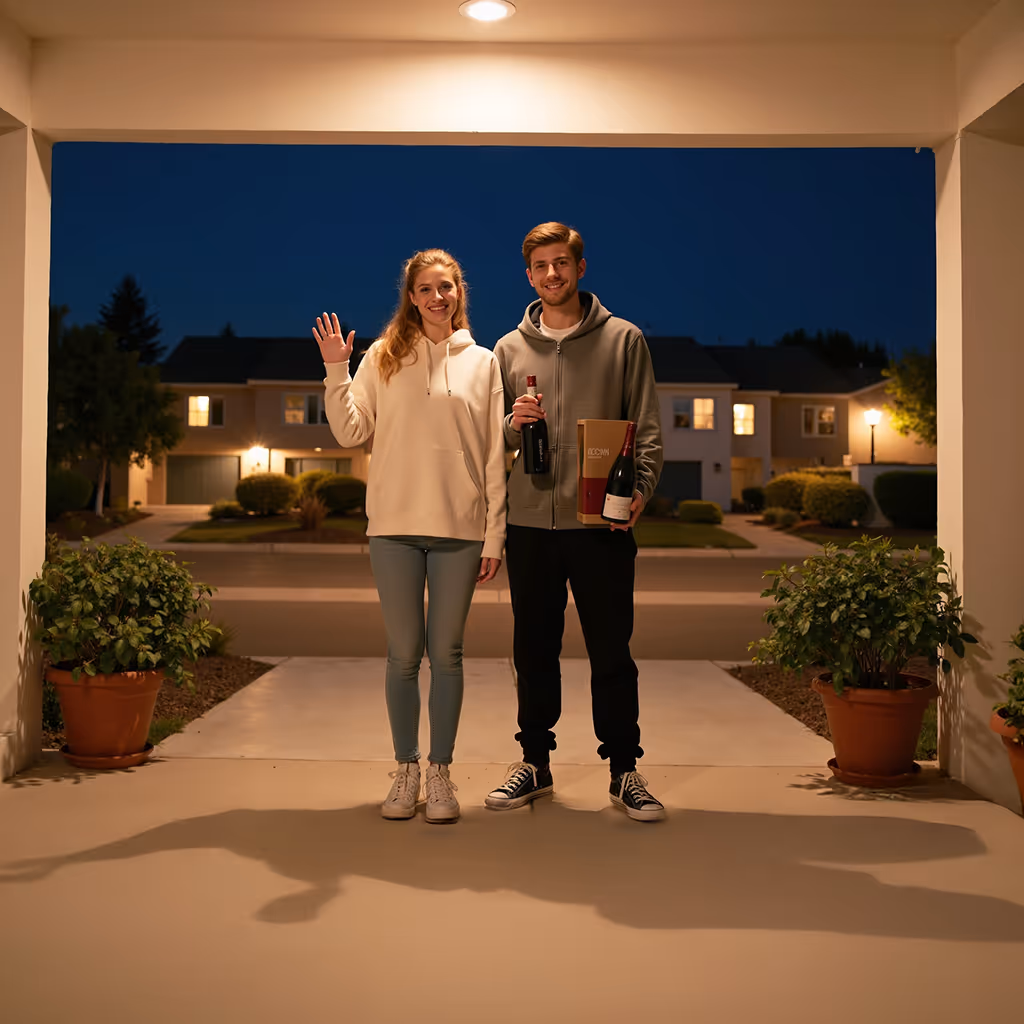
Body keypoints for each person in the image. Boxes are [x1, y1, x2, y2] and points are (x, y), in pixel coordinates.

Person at [313, 249, 506, 824]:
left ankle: (441, 774)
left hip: (460, 530)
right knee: (403, 655)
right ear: (411, 296)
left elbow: (496, 455)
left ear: (458, 293)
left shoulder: (484, 362)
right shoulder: (383, 357)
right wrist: (335, 370)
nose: (436, 297)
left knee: (446, 654)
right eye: (425, 288)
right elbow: (350, 431)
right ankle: (406, 770)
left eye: (445, 287)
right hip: (393, 529)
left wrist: (494, 537)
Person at [487, 222, 666, 822]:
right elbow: (494, 442)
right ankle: (533, 763)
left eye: (561, 263)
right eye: (540, 266)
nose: (552, 275)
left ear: (581, 268)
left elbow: (646, 430)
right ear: (529, 274)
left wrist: (640, 492)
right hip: (533, 523)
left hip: (602, 526)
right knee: (532, 649)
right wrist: (515, 423)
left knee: (610, 650)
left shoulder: (624, 341)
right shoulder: (508, 351)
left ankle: (624, 771)